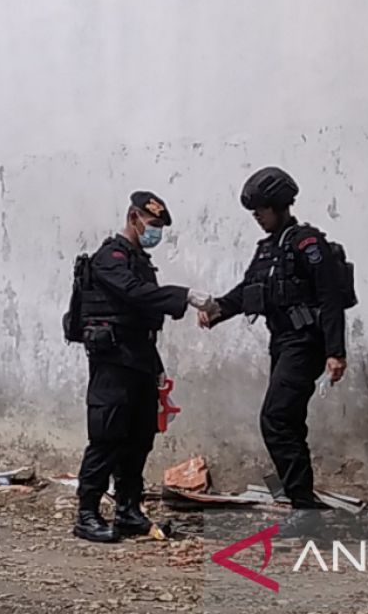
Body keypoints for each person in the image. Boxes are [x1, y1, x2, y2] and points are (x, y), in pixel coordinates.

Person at [200, 167, 348, 538]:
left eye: (261, 210)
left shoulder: (307, 243)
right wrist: (217, 309)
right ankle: (303, 504)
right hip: (281, 343)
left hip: (306, 343)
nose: (257, 217)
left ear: (280, 206)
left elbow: (330, 298)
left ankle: (304, 507)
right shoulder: (268, 250)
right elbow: (248, 290)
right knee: (288, 421)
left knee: (275, 418)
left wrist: (335, 351)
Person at [72, 191, 217, 543]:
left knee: (139, 438)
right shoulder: (111, 258)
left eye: (158, 227)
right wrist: (185, 296)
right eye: (151, 224)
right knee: (107, 438)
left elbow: (144, 323)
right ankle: (87, 514)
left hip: (138, 359)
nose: (155, 232)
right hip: (112, 363)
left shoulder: (140, 260)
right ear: (133, 217)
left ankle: (128, 510)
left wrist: (157, 368)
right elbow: (136, 294)